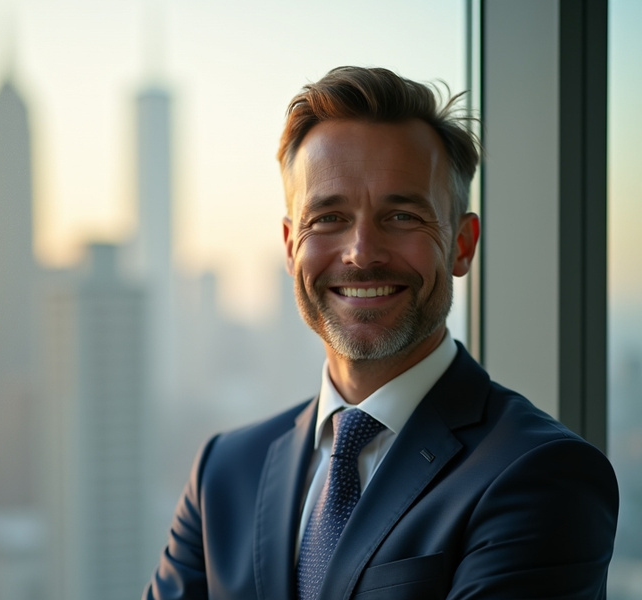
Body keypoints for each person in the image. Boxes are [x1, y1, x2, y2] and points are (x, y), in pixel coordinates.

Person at [143, 66, 619, 600]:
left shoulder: (541, 475)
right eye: (327, 218)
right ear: (289, 245)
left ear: (462, 244)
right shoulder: (223, 474)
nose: (362, 252)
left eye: (401, 216)